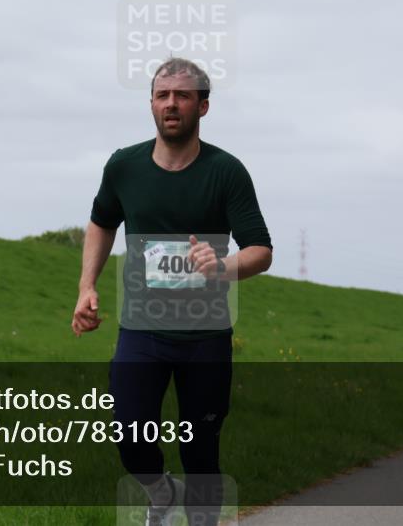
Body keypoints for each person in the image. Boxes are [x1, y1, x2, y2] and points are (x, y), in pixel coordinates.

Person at [71, 57, 273, 526]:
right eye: (162, 95)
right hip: (141, 331)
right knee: (130, 435)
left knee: (200, 452)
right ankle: (161, 493)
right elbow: (102, 222)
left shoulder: (226, 172)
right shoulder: (124, 166)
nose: (171, 104)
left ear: (203, 106)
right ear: (151, 104)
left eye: (182, 95)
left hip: (205, 337)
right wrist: (86, 287)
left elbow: (261, 251)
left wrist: (222, 267)